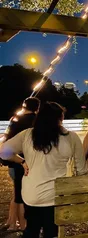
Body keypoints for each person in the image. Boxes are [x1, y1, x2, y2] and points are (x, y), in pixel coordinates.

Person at [0, 102, 88, 238]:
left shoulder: (28, 135)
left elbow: (3, 151)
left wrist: (22, 161)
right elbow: (81, 170)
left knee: (32, 229)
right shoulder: (71, 138)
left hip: (31, 195)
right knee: (51, 231)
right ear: (61, 118)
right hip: (55, 196)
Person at [3, 97, 40, 232]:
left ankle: (12, 221)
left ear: (24, 106)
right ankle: (22, 224)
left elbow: (6, 139)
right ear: (37, 108)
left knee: (16, 192)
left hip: (14, 160)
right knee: (22, 195)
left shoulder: (15, 119)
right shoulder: (37, 121)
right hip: (29, 162)